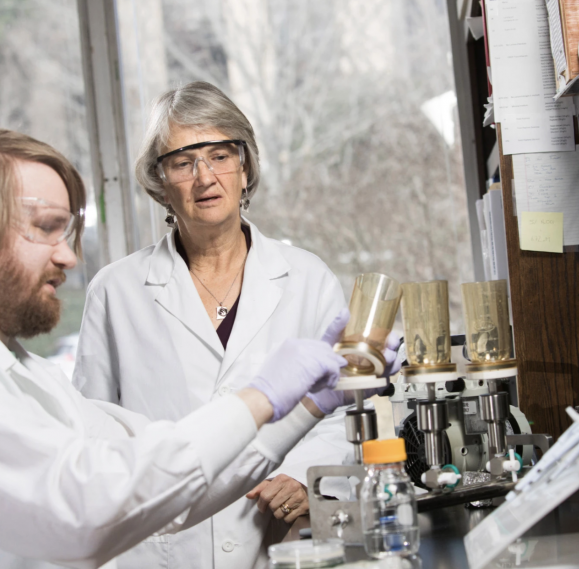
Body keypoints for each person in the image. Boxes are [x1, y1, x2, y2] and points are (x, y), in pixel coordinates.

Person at [0, 127, 355, 569]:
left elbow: (170, 486)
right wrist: (260, 397)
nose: (68, 256)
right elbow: (82, 511)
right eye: (44, 227)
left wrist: (305, 407)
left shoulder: (20, 371)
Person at [72, 81, 398, 569]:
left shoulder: (306, 277)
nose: (206, 177)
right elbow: (92, 434)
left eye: (220, 155)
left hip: (274, 540)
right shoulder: (115, 291)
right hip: (160, 550)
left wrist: (303, 475)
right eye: (183, 162)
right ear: (160, 182)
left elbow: (339, 407)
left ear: (245, 168)